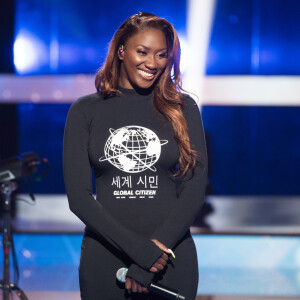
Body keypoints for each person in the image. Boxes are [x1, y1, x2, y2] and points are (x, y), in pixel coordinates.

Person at [63, 12, 207, 300]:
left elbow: (195, 187)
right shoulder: (85, 110)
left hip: (169, 256)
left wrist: (155, 254)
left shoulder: (183, 107)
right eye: (142, 51)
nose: (152, 63)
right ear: (120, 51)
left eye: (162, 55)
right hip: (106, 256)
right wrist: (141, 252)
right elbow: (79, 198)